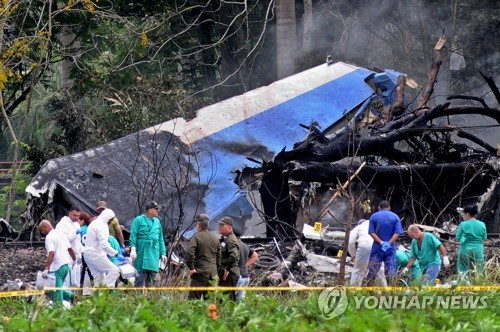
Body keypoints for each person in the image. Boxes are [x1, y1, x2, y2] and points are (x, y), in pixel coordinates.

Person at [129, 201, 167, 287]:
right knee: (139, 278)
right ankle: (137, 299)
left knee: (152, 280)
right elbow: (133, 235)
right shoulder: (138, 220)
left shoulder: (157, 222)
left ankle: (151, 299)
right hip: (142, 251)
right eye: (156, 209)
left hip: (153, 252)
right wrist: (133, 249)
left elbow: (160, 238)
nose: (158, 211)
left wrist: (163, 253)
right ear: (150, 210)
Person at [39, 220, 76, 304]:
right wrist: (74, 260)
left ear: (45, 226)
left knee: (55, 293)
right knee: (57, 288)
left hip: (56, 268)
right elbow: (70, 249)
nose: (42, 232)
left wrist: (47, 268)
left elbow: (51, 253)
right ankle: (71, 297)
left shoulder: (49, 237)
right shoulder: (61, 234)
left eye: (42, 230)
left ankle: (59, 311)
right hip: (65, 266)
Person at [367, 200, 404, 285]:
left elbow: (371, 232)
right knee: (391, 271)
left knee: (373, 269)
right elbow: (397, 232)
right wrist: (389, 243)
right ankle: (391, 294)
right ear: (389, 208)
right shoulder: (395, 217)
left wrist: (381, 242)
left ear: (379, 208)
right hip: (390, 248)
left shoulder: (374, 217)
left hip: (377, 246)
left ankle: (368, 292)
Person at [84, 208, 122, 287]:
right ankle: (106, 292)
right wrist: (116, 254)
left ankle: (98, 297)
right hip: (95, 254)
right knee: (114, 270)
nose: (111, 222)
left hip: (88, 254)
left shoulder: (95, 223)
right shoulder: (101, 225)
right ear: (107, 218)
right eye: (110, 220)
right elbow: (104, 244)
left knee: (99, 278)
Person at [185, 214, 221, 300]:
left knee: (193, 301)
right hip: (213, 274)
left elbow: (190, 252)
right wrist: (216, 271)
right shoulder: (215, 238)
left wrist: (191, 267)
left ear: (198, 225)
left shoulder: (196, 237)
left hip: (200, 273)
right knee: (210, 303)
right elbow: (219, 258)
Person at [348, 219, 387, 286]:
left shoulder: (359, 227)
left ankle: (353, 291)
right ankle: (383, 291)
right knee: (380, 270)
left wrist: (353, 255)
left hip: (365, 246)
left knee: (358, 270)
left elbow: (351, 242)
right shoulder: (376, 225)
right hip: (378, 246)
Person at [456, 205, 487, 274]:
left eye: (463, 214)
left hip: (465, 249)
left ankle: (463, 283)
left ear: (467, 214)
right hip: (478, 249)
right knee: (479, 269)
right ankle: (478, 283)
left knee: (462, 270)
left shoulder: (463, 224)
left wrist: (464, 237)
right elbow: (484, 238)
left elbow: (458, 237)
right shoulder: (482, 224)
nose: (463, 216)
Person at [217, 216, 240, 302]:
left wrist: (227, 269)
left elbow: (234, 256)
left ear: (230, 227)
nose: (219, 227)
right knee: (223, 299)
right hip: (225, 273)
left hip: (229, 274)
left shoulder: (231, 240)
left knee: (227, 300)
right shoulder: (225, 239)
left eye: (222, 225)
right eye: (219, 225)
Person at [234, 229, 258, 302]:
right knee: (240, 301)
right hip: (245, 277)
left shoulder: (234, 245)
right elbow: (255, 255)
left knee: (230, 300)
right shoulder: (244, 245)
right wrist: (245, 265)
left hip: (237, 276)